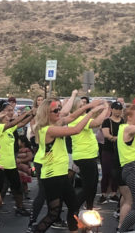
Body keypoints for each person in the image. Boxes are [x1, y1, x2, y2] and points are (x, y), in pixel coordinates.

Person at [30, 98, 104, 233]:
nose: (59, 112)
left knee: (74, 206)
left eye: (59, 108)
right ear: (47, 114)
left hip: (60, 174)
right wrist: (91, 112)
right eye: (55, 110)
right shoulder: (48, 129)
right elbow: (76, 130)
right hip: (52, 176)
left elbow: (72, 116)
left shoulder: (55, 124)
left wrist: (88, 106)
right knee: (53, 214)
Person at [0, 100, 35, 216]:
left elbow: (20, 124)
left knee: (17, 186)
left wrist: (32, 115)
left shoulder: (9, 129)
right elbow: (14, 123)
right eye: (6, 114)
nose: (8, 116)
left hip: (10, 164)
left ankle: (19, 208)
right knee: (0, 188)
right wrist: (27, 112)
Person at [68, 98, 109, 210]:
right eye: (82, 105)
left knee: (93, 184)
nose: (85, 107)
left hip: (89, 156)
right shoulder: (77, 119)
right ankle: (73, 209)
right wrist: (105, 108)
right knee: (88, 187)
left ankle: (89, 207)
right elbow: (97, 122)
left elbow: (94, 119)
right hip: (84, 157)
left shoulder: (81, 118)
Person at [99, 101, 124, 204]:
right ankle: (103, 194)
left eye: (120, 109)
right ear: (112, 109)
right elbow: (106, 135)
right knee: (106, 172)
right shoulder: (107, 121)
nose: (118, 111)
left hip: (119, 151)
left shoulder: (123, 121)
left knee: (116, 173)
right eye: (116, 109)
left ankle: (114, 193)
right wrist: (118, 138)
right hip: (107, 150)